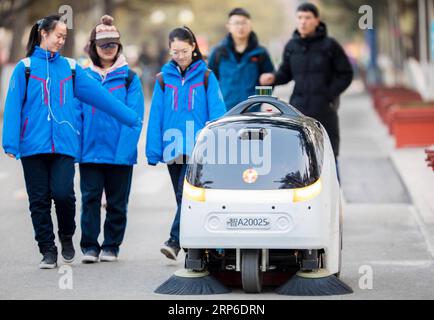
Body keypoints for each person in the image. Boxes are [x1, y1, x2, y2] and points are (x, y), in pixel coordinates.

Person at [2, 14, 141, 269]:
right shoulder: (25, 68)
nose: (61, 41)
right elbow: (13, 106)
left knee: (64, 194)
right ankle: (47, 250)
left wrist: (130, 117)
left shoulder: (71, 68)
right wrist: (10, 142)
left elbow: (101, 96)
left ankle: (66, 235)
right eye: (58, 36)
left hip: (64, 145)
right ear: (43, 34)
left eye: (65, 37)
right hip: (33, 145)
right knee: (39, 200)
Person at [146, 26, 226, 260]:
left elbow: (218, 114)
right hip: (172, 149)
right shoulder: (162, 79)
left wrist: (216, 147)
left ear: (193, 47)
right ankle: (200, 244)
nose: (179, 56)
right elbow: (156, 117)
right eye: (174, 52)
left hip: (198, 149)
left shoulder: (206, 77)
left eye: (183, 50)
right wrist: (153, 151)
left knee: (187, 195)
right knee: (184, 199)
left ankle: (175, 240)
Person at [79, 15, 145, 263]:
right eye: (103, 45)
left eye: (113, 45)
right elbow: (76, 114)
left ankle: (111, 246)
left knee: (117, 203)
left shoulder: (130, 78)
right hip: (90, 151)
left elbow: (135, 118)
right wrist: (78, 148)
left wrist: (124, 151)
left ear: (119, 45)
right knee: (90, 199)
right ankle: (89, 246)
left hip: (119, 152)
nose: (109, 49)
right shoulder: (83, 76)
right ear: (93, 47)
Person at [260, 3, 353, 160]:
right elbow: (286, 73)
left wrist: (328, 95)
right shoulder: (291, 46)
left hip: (325, 110)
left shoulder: (330, 45)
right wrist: (273, 78)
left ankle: (335, 184)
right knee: (300, 157)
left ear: (317, 20)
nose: (303, 21)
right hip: (298, 109)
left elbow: (346, 74)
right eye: (300, 18)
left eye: (308, 18)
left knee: (328, 157)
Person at [208, 8, 274, 110]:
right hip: (225, 112)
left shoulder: (260, 53)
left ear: (250, 25)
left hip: (252, 113)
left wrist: (259, 102)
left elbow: (270, 81)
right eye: (236, 23)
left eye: (244, 23)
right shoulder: (218, 52)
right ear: (228, 26)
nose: (240, 27)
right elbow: (209, 82)